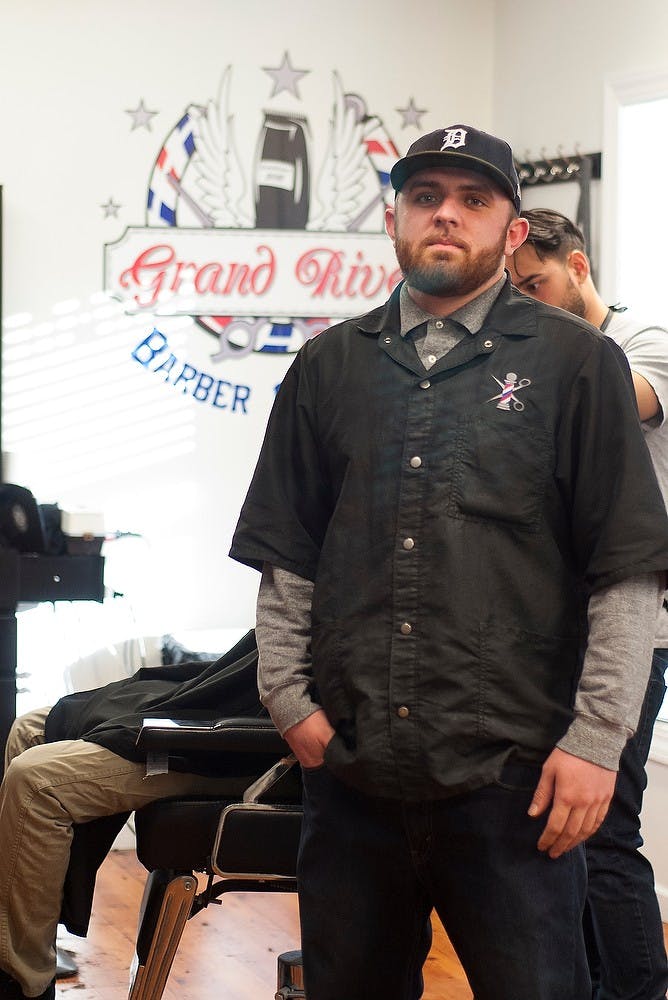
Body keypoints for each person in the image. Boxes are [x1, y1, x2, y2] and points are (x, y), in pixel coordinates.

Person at [229, 124, 668, 1000]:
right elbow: (289, 556)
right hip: (351, 775)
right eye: (426, 197)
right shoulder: (326, 367)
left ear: (512, 233)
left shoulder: (580, 365)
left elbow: (627, 571)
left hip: (516, 787)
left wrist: (597, 743)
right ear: (394, 219)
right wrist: (287, 698)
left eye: (474, 200)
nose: (446, 216)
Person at [507, 207, 668, 1000]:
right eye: (516, 292)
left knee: (605, 835)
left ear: (579, 265)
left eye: (536, 283)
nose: (529, 302)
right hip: (561, 627)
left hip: (640, 629)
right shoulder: (550, 355)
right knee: (559, 831)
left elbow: (608, 406)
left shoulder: (645, 344)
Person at [0, 630, 263, 1000]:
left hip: (248, 747)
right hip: (231, 698)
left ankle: (25, 986)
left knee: (35, 782)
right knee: (30, 729)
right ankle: (23, 944)